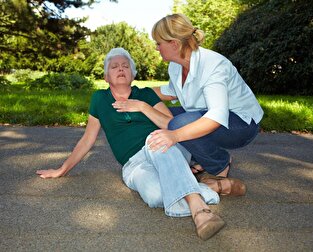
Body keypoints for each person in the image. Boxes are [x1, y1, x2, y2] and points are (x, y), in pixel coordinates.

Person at [35, 48, 245, 240]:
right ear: (106, 76)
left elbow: (172, 126)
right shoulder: (99, 99)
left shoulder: (145, 95)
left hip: (165, 147)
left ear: (133, 74)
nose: (120, 69)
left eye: (125, 66)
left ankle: (200, 211)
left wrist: (143, 107)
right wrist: (62, 169)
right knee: (155, 196)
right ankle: (211, 187)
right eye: (114, 66)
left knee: (156, 139)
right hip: (134, 165)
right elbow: (87, 139)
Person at [150, 13, 264, 183]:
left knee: (177, 124)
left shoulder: (213, 64)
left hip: (241, 124)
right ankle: (201, 159)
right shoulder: (175, 66)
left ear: (174, 44)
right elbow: (171, 91)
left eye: (158, 43)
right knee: (157, 115)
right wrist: (132, 92)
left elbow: (216, 117)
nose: (156, 48)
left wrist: (174, 135)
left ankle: (219, 164)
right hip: (209, 115)